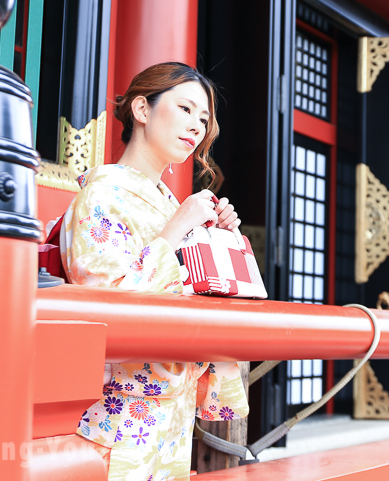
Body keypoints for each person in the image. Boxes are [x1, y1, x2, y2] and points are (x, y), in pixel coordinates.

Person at [59, 62, 249, 481]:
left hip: (172, 411)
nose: (196, 126)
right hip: (122, 410)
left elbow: (204, 295)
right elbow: (108, 301)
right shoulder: (102, 195)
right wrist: (179, 228)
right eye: (184, 109)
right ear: (142, 110)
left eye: (203, 119)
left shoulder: (170, 206)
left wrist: (221, 240)